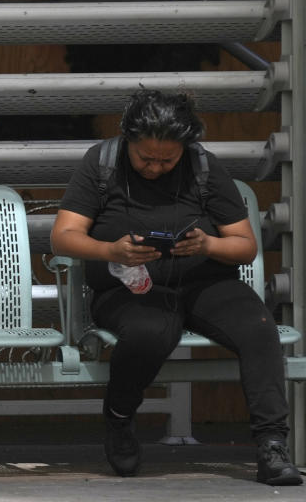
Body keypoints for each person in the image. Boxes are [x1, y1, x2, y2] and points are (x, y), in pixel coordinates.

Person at [50, 89, 302, 486]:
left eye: (167, 160)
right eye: (145, 158)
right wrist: (110, 249)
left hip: (205, 282)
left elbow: (244, 246)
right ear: (128, 140)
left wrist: (209, 244)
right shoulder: (102, 163)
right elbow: (63, 236)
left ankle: (272, 444)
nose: (154, 167)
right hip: (127, 287)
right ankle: (119, 418)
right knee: (152, 331)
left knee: (257, 326)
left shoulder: (203, 166)